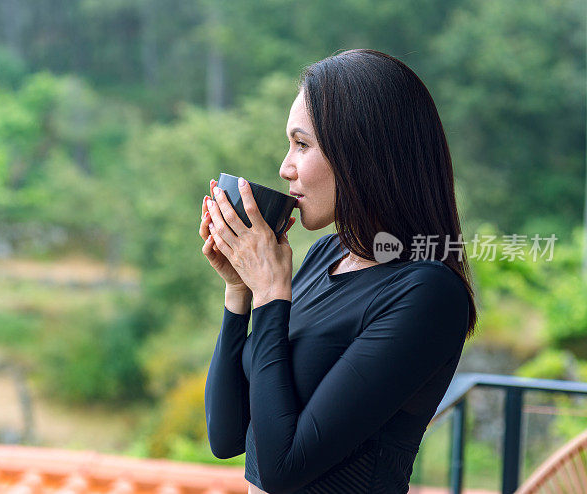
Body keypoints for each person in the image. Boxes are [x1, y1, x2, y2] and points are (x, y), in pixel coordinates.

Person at [199, 49, 478, 494]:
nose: (284, 166)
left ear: (361, 153)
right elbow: (227, 436)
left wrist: (272, 292)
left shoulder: (426, 293)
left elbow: (282, 468)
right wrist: (240, 291)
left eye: (302, 144)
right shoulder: (323, 257)